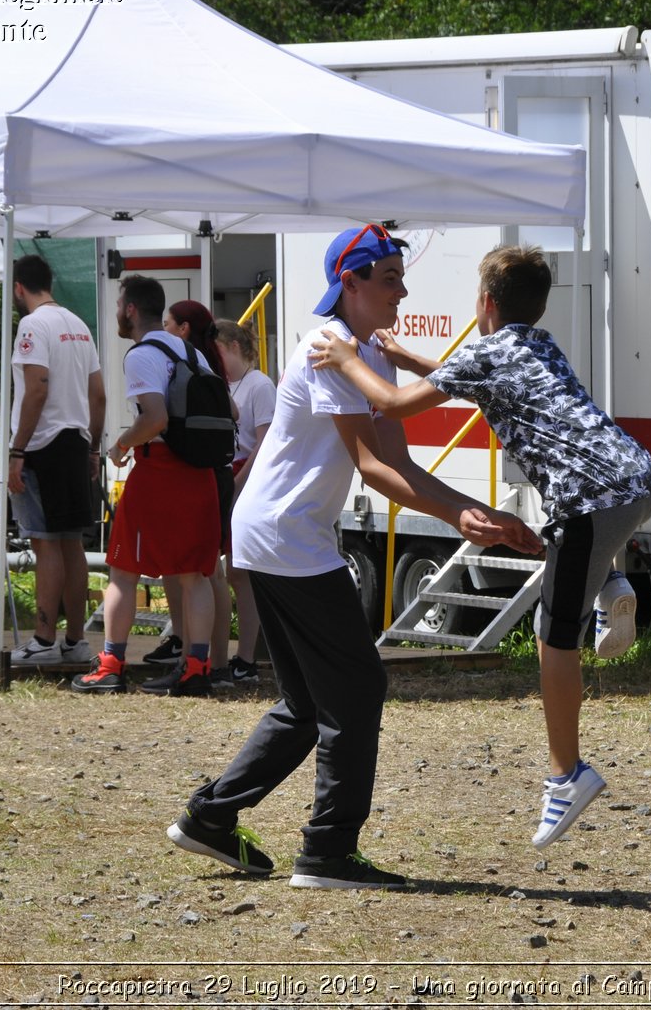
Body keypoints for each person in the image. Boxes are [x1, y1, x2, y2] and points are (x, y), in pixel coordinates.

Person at [166, 224, 541, 890]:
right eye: (391, 277)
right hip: (287, 537)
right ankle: (327, 852)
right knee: (358, 689)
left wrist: (474, 514)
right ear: (352, 283)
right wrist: (459, 514)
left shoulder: (368, 352)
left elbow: (397, 460)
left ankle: (211, 817)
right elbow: (372, 468)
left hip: (279, 534)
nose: (404, 288)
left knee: (308, 702)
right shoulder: (327, 345)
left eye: (401, 274)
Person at [310, 243, 651, 849]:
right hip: (635, 480)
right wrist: (405, 356)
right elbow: (466, 380)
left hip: (588, 502)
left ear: (485, 304)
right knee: (567, 546)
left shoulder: (485, 352)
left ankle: (565, 774)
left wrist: (346, 358)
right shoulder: (536, 345)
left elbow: (391, 405)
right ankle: (612, 582)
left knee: (555, 638)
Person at [71, 276, 220, 696]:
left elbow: (155, 419)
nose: (118, 311)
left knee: (122, 569)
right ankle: (196, 669)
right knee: (196, 574)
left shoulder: (142, 354)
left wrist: (120, 445)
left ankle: (111, 664)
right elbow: (229, 410)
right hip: (200, 471)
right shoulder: (192, 351)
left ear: (131, 309)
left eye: (119, 304)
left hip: (159, 471)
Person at [6, 254, 106, 667]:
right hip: (76, 441)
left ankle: (44, 640)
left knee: (44, 542)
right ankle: (75, 641)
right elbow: (98, 394)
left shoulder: (31, 325)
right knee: (70, 546)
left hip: (42, 443)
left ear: (18, 288)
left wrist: (17, 449)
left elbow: (36, 389)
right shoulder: (79, 325)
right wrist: (94, 447)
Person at [140, 299, 237, 696]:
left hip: (194, 470)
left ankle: (196, 662)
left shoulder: (180, 361)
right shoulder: (208, 361)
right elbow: (234, 412)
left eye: (167, 324)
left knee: (196, 574)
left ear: (181, 328)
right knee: (208, 572)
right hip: (219, 468)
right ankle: (215, 662)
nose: (163, 331)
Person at [214, 317, 274, 686]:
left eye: (217, 351)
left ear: (234, 347)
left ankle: (246, 657)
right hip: (224, 476)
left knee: (240, 573)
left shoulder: (258, 385)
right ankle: (223, 653)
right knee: (222, 572)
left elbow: (265, 442)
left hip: (245, 478)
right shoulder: (223, 384)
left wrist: (239, 482)